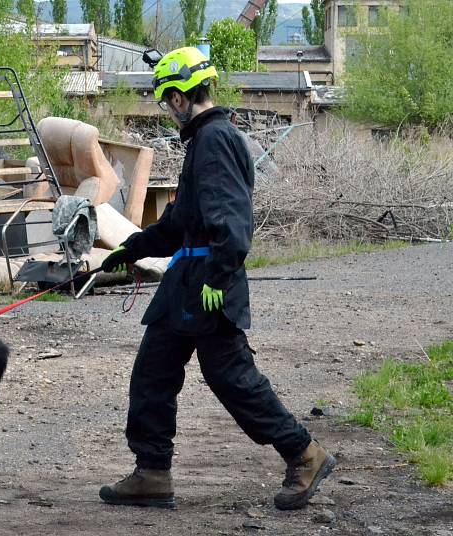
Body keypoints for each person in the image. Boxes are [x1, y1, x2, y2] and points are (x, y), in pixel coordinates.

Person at [98, 47, 335, 511]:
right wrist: (131, 247)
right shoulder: (203, 143)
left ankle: (304, 453)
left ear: (182, 97)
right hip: (186, 280)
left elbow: (232, 221)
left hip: (207, 284)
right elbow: (180, 223)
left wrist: (219, 277)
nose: (168, 109)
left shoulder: (216, 140)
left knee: (232, 377)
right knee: (154, 372)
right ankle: (152, 473)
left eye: (168, 99)